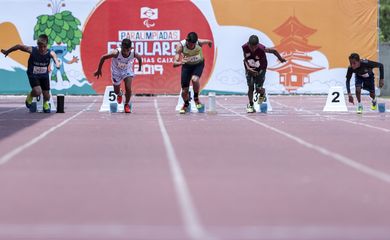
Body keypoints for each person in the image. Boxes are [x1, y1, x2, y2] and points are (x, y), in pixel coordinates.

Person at [1, 34, 60, 113]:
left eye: (44, 47)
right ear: (37, 45)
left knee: (47, 95)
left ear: (47, 45)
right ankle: (30, 96)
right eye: (40, 47)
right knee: (38, 91)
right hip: (33, 74)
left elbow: (56, 59)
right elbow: (19, 46)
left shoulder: (51, 53)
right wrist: (7, 51)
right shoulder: (32, 50)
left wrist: (57, 64)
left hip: (44, 75)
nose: (42, 49)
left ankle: (45, 103)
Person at [94, 38, 142, 113]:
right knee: (116, 91)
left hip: (127, 71)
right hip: (116, 73)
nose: (125, 53)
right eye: (124, 50)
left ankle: (126, 105)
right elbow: (103, 57)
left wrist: (140, 67)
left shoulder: (134, 53)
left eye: (127, 51)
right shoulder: (116, 53)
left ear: (131, 48)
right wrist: (99, 70)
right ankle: (120, 93)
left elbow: (139, 59)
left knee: (128, 88)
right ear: (121, 47)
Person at [242, 35, 286, 113]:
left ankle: (262, 94)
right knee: (250, 87)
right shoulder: (245, 47)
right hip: (250, 68)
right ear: (248, 44)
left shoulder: (262, 49)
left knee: (258, 89)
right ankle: (251, 104)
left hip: (261, 69)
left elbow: (274, 51)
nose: (253, 49)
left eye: (255, 47)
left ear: (257, 45)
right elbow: (245, 59)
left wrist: (280, 59)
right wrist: (248, 68)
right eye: (251, 47)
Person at [173, 32, 213, 114]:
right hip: (187, 66)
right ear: (187, 41)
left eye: (193, 45)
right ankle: (186, 104)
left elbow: (209, 41)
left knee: (195, 79)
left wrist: (210, 44)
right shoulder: (180, 46)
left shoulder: (199, 42)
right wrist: (181, 62)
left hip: (198, 65)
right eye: (190, 44)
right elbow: (174, 64)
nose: (191, 46)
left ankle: (196, 99)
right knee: (184, 91)